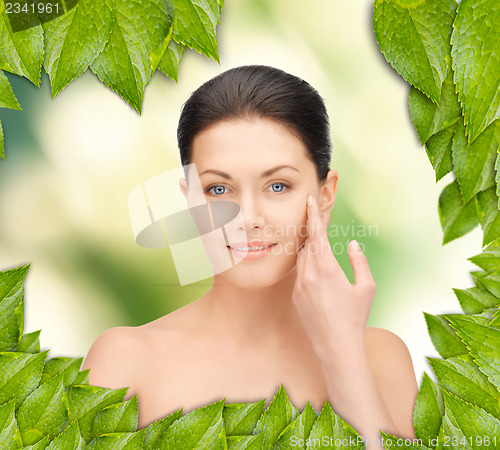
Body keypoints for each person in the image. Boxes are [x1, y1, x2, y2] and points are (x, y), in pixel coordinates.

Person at [82, 65, 419, 447]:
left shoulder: (379, 358)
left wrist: (342, 351)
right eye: (218, 189)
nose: (248, 218)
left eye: (277, 186)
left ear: (325, 194)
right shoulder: (126, 361)